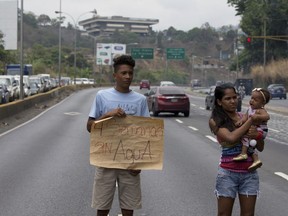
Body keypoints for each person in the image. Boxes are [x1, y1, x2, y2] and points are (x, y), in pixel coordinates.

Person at [86, 55, 150, 216]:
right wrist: (108, 114)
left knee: (129, 208)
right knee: (102, 208)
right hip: (106, 160)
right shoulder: (102, 96)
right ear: (115, 75)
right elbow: (90, 127)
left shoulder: (141, 100)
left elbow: (147, 133)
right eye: (123, 73)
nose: (127, 76)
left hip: (130, 162)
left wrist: (140, 163)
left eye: (130, 73)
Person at [209, 83, 265, 216]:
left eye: (235, 97)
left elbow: (261, 147)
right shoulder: (215, 120)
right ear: (219, 102)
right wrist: (252, 120)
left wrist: (256, 136)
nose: (233, 101)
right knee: (224, 214)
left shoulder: (243, 117)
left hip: (249, 174)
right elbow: (232, 138)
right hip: (227, 174)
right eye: (228, 99)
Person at [233, 88, 271, 172]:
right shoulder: (249, 109)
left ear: (262, 103)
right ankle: (255, 159)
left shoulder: (260, 110)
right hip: (254, 129)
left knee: (247, 138)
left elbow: (267, 116)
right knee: (250, 143)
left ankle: (244, 154)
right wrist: (240, 121)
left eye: (255, 100)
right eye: (251, 98)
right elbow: (245, 117)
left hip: (261, 130)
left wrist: (258, 117)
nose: (252, 101)